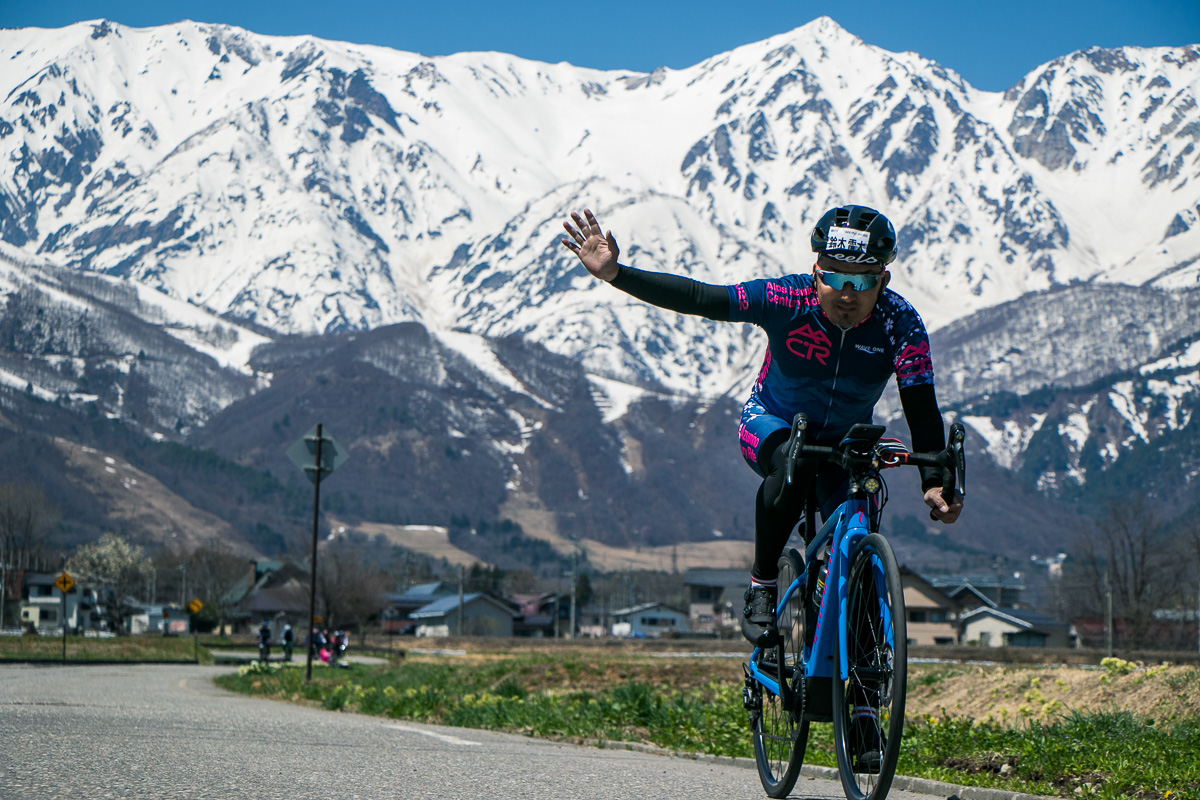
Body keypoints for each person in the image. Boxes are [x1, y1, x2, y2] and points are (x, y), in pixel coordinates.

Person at [563, 204, 962, 770]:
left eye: (863, 282)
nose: (847, 294)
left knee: (862, 557)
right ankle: (762, 584)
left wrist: (933, 481)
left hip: (848, 443)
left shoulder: (900, 322)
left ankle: (866, 710)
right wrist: (616, 274)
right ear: (816, 271)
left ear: (883, 281)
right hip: (773, 425)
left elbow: (923, 408)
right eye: (835, 278)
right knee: (792, 467)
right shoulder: (787, 299)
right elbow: (704, 298)